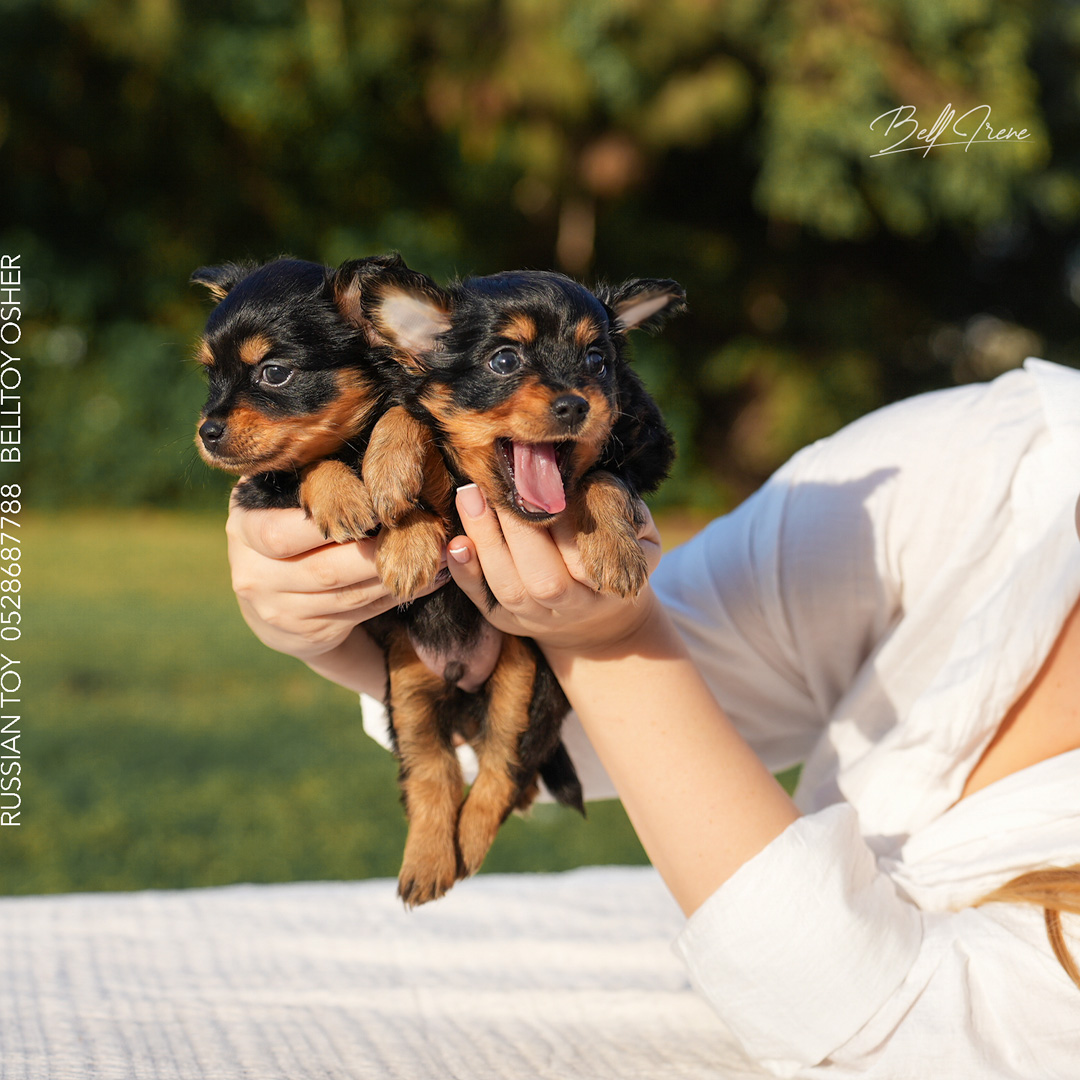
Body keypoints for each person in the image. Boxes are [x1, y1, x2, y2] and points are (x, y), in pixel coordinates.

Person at [225, 356, 1080, 1076]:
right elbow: (612, 728)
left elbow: (877, 1031)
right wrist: (340, 626)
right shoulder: (1002, 458)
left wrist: (607, 636)